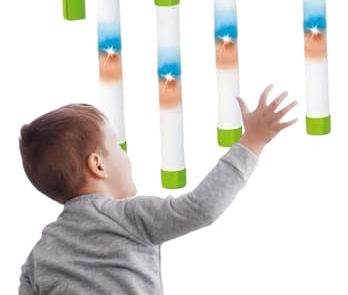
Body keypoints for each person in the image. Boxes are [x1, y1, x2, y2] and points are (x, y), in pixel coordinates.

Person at [18, 84, 298, 294]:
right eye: (117, 146)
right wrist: (252, 141)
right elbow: (201, 208)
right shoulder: (126, 217)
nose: (125, 154)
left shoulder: (39, 255)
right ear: (98, 165)